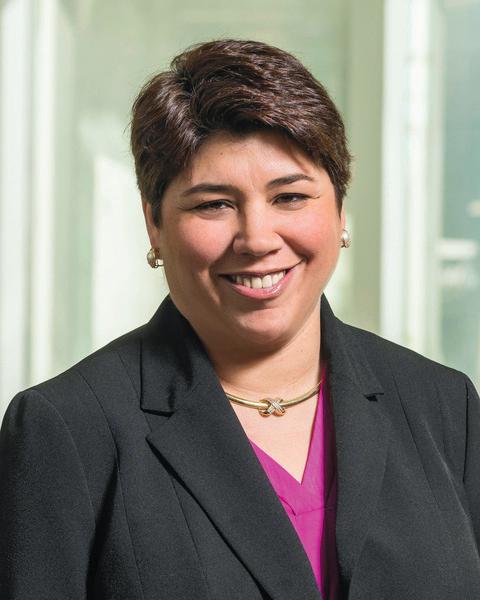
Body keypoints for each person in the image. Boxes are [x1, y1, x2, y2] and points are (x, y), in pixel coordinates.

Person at [1, 38, 479, 600]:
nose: (256, 239)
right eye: (214, 204)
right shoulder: (66, 429)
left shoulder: (443, 405)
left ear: (340, 209)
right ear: (154, 224)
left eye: (290, 197)